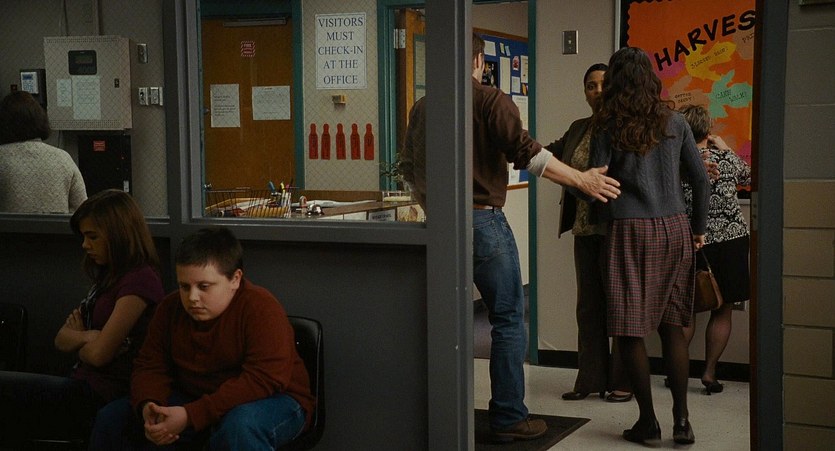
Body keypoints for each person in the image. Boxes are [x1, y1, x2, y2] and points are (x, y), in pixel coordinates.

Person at [400, 32, 621, 443]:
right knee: (506, 319)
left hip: (439, 224)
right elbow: (527, 154)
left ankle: (444, 413)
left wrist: (434, 210)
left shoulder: (423, 107)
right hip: (483, 222)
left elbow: (410, 167)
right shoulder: (490, 100)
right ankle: (508, 417)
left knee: (444, 320)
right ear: (479, 61)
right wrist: (583, 180)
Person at [89, 227, 315, 450]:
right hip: (196, 397)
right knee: (113, 418)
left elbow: (263, 379)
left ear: (235, 279)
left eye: (204, 287)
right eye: (184, 287)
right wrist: (149, 404)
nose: (192, 298)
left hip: (274, 399)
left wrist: (191, 415)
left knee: (240, 426)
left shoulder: (261, 308)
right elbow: (150, 365)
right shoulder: (169, 308)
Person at [586, 47, 710, 445]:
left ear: (615, 80)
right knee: (673, 327)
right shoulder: (676, 121)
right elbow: (700, 179)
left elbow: (596, 183)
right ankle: (682, 421)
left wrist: (598, 211)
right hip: (675, 228)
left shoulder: (607, 123)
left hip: (628, 230)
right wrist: (698, 228)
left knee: (629, 329)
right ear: (650, 79)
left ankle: (648, 423)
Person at [0, 189, 164, 445]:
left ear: (118, 235)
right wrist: (89, 336)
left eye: (93, 237)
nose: (85, 245)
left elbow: (99, 355)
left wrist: (83, 341)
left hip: (104, 393)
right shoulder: (109, 277)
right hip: (81, 382)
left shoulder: (140, 280)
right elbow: (61, 339)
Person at [545, 63, 632, 404]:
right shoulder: (578, 127)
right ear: (584, 92)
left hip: (617, 230)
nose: (597, 91)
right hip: (584, 230)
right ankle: (590, 379)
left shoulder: (626, 127)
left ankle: (623, 380)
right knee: (588, 307)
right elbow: (548, 154)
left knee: (621, 306)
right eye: (590, 86)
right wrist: (511, 144)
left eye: (603, 84)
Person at [679, 104, 751, 395]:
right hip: (732, 241)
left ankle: (677, 371)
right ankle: (709, 373)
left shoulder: (676, 163)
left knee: (686, 311)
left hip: (692, 241)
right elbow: (750, 177)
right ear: (708, 131)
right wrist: (726, 148)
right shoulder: (726, 159)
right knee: (723, 310)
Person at [0, 91, 87, 213]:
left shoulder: (2, 157)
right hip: (57, 226)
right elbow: (81, 208)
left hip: (9, 226)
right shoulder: (63, 158)